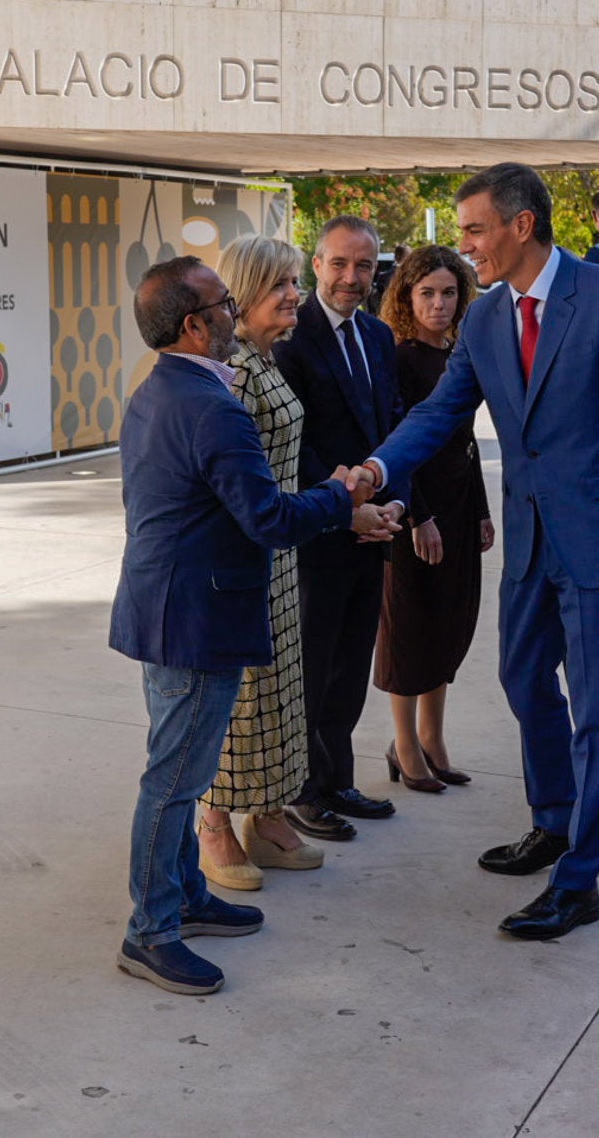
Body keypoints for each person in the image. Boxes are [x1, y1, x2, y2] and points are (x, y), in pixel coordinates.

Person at [349, 162, 599, 941]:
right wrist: (375, 467)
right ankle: (553, 817)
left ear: (520, 224)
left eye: (473, 229)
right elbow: (438, 413)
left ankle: (579, 880)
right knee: (522, 676)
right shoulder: (488, 319)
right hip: (531, 542)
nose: (464, 247)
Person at [109, 255, 370, 995]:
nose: (234, 311)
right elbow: (268, 517)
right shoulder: (211, 405)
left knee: (180, 775)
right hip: (193, 615)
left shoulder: (158, 389)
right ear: (195, 326)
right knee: (173, 781)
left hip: (168, 606)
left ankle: (184, 897)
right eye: (224, 304)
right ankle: (150, 931)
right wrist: (339, 494)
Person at [194, 236, 402, 891]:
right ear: (246, 290)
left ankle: (268, 814)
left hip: (281, 554)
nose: (293, 294)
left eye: (292, 282)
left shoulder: (263, 359)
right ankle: (214, 824)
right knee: (241, 701)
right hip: (246, 557)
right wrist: (341, 506)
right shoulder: (228, 371)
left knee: (280, 696)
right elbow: (246, 493)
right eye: (282, 283)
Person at [274, 216, 408, 841]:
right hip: (318, 532)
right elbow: (289, 449)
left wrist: (394, 506)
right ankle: (302, 790)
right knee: (313, 667)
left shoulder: (379, 337)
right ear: (316, 264)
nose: (352, 278)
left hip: (371, 530)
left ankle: (336, 779)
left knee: (352, 664)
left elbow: (394, 430)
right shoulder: (289, 339)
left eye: (364, 266)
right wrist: (342, 508)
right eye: (340, 264)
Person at [372, 245, 493, 793]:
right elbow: (399, 442)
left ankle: (433, 739)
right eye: (427, 293)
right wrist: (418, 516)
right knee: (410, 629)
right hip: (412, 511)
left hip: (460, 503)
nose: (439, 304)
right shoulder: (398, 358)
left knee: (449, 624)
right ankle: (404, 746)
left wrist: (484, 511)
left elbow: (466, 439)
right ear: (406, 295)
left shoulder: (461, 353)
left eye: (448, 293)